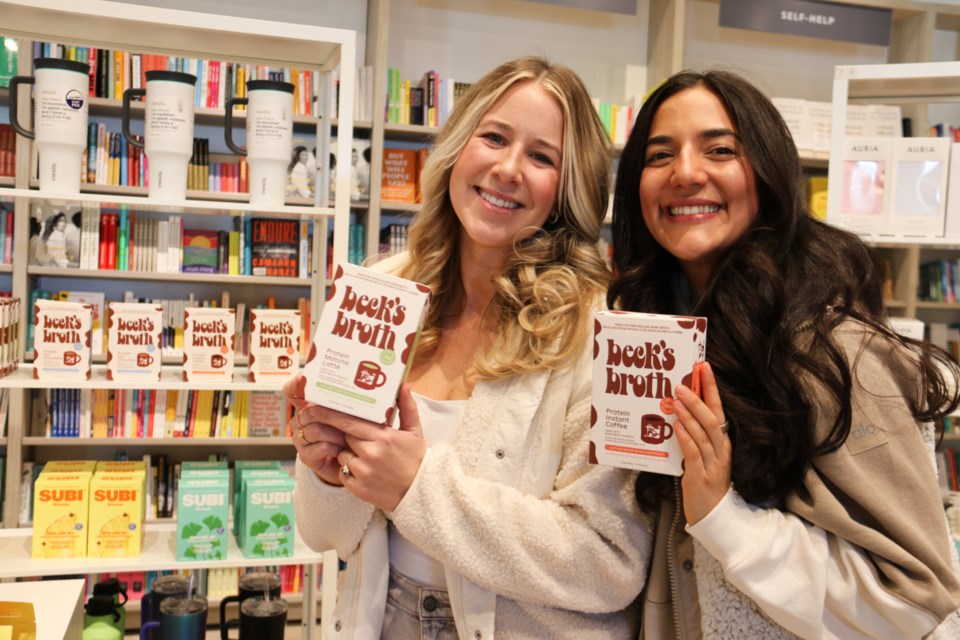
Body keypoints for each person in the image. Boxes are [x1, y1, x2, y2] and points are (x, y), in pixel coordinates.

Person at [285, 56, 649, 638]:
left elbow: (608, 562)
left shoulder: (599, 330)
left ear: (567, 187)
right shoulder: (384, 288)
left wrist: (416, 488)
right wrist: (326, 469)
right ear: (458, 148)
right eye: (495, 137)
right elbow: (324, 533)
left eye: (541, 156)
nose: (507, 169)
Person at [608, 68, 960, 638]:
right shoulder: (660, 328)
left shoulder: (832, 348)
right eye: (658, 155)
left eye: (719, 149)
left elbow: (917, 600)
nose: (686, 173)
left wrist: (724, 515)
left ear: (768, 172)